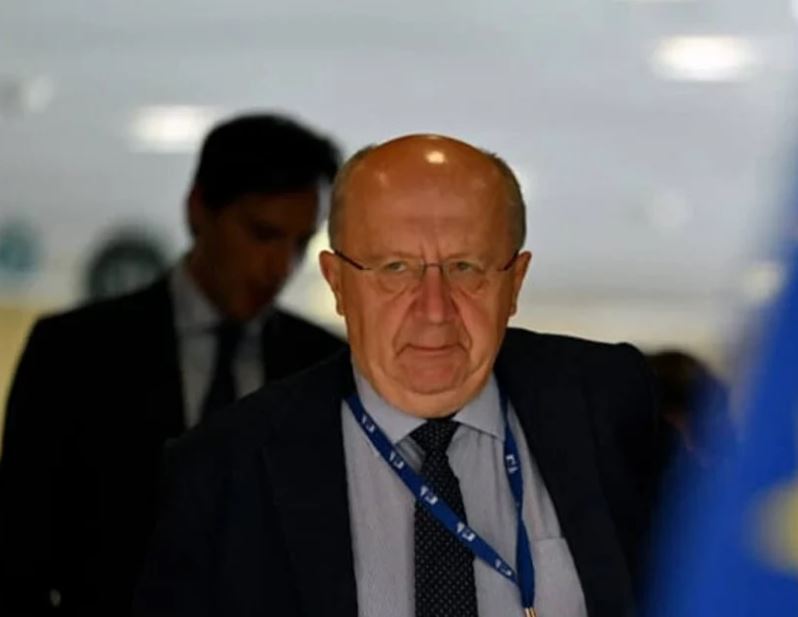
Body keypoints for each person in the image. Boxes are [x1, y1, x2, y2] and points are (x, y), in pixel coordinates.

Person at [133, 134, 658, 617]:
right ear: (338, 283)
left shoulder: (608, 406)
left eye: (466, 267)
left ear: (515, 281)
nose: (434, 311)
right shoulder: (225, 470)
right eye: (395, 269)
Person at [0, 114, 345, 616]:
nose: (280, 267)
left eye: (299, 243)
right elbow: (18, 556)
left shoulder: (324, 364)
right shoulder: (74, 352)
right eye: (262, 234)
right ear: (199, 208)